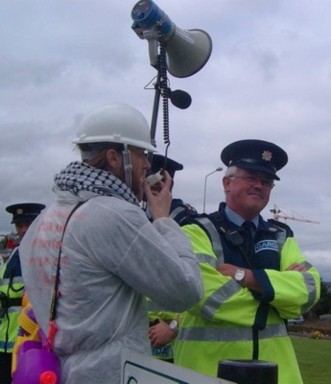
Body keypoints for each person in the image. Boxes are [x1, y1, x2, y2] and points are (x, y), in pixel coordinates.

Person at [18, 102, 203, 384]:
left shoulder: (44, 219)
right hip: (109, 373)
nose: (147, 166)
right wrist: (164, 220)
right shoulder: (114, 213)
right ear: (115, 158)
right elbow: (186, 290)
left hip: (59, 369)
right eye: (143, 155)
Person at [174, 139, 321, 384]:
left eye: (266, 182)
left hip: (278, 375)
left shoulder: (281, 235)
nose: (259, 186)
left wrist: (246, 277)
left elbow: (309, 289)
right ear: (226, 182)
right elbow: (204, 296)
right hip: (207, 373)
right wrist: (278, 298)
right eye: (251, 177)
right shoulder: (197, 231)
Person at [147, 154, 197, 363]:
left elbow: (197, 283)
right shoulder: (137, 216)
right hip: (141, 331)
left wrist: (173, 327)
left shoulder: (186, 221)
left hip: (171, 334)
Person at [0, 202, 45, 384]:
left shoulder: (47, 255)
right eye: (20, 225)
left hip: (29, 347)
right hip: (4, 345)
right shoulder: (13, 256)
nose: (24, 229)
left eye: (28, 223)